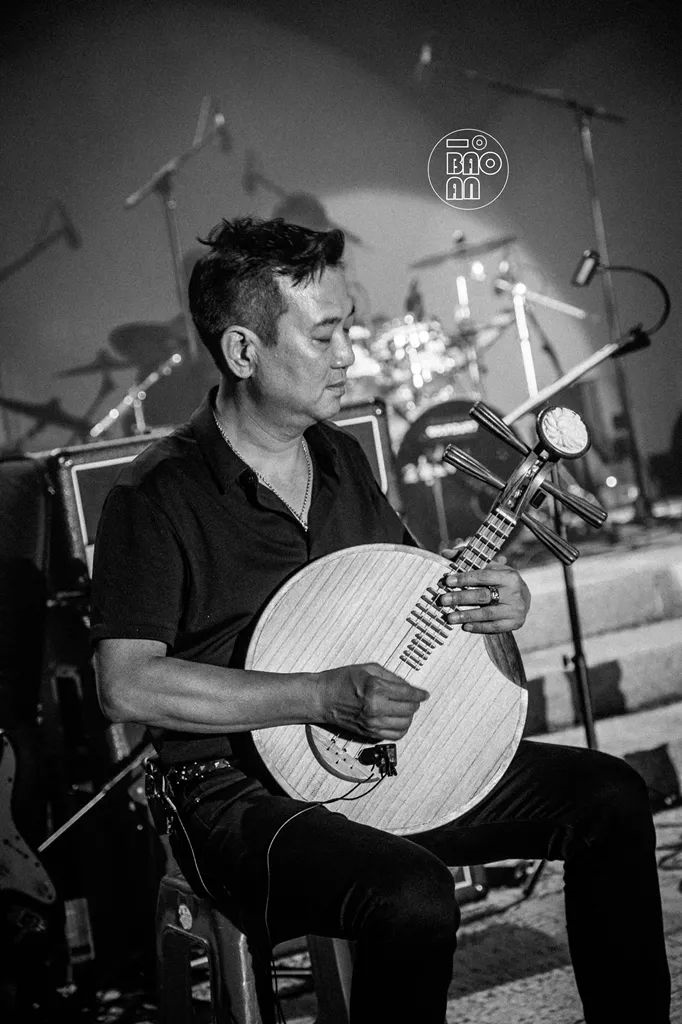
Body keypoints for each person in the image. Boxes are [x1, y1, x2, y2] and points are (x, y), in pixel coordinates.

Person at [91, 217, 670, 1024]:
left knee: (610, 795)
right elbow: (124, 685)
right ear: (243, 351)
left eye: (349, 330)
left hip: (389, 766)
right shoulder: (156, 494)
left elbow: (411, 599)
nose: (347, 356)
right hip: (237, 797)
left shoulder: (341, 458)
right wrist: (316, 696)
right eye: (324, 335)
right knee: (411, 893)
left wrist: (492, 606)